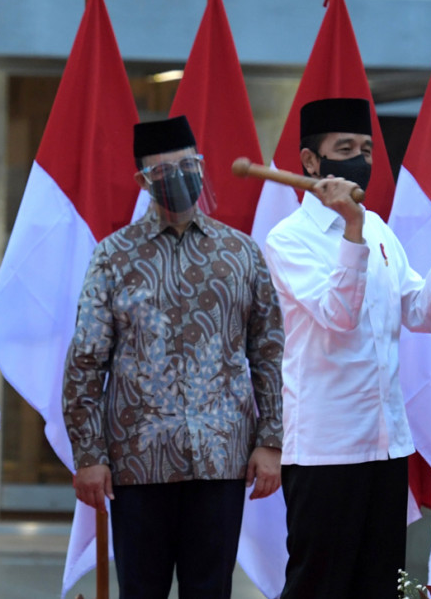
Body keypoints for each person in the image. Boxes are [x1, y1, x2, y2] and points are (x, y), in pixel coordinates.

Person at [63, 115, 285, 599]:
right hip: (138, 461)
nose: (180, 179)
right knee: (141, 591)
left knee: (211, 589)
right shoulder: (113, 257)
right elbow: (85, 361)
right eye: (165, 173)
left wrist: (271, 441)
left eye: (189, 166)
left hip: (221, 458)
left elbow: (269, 351)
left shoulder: (241, 253)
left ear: (202, 168)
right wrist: (89, 455)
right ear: (144, 182)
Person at [262, 97, 431, 599]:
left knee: (379, 585)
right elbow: (338, 316)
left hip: (387, 441)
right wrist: (351, 229)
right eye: (345, 148)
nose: (360, 160)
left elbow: (423, 314)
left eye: (367, 149)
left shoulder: (378, 228)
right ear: (311, 162)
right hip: (326, 449)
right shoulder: (289, 239)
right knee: (319, 586)